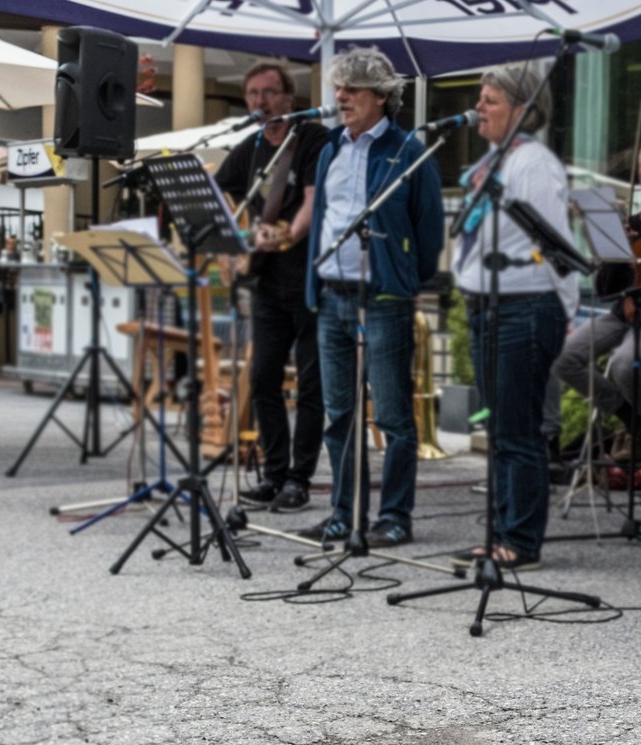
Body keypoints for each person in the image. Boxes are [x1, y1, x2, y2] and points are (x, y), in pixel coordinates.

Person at [302, 47, 445, 547]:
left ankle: (394, 517)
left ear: (381, 97)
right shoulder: (329, 151)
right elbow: (321, 223)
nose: (340, 96)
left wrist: (402, 278)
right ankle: (345, 512)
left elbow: (430, 233)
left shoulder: (409, 152)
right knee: (339, 414)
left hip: (383, 298)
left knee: (391, 416)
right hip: (333, 297)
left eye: (352, 89)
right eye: (338, 88)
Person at [445, 62, 571, 570]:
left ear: (522, 108)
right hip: (488, 305)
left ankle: (519, 539)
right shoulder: (496, 161)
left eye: (490, 100)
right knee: (499, 426)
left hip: (523, 305)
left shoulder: (532, 163)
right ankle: (499, 530)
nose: (479, 107)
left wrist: (565, 312)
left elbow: (554, 242)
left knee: (517, 429)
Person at [216, 61, 329, 515]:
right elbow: (219, 189)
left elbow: (312, 203)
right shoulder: (250, 148)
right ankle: (273, 474)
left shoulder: (312, 139)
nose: (259, 102)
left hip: (309, 278)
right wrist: (230, 243)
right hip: (266, 282)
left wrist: (286, 234)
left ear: (288, 97)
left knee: (309, 384)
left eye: (268, 93)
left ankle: (299, 479)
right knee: (262, 377)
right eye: (251, 94)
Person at [551, 140, 641, 457]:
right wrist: (616, 253)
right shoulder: (632, 221)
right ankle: (633, 419)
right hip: (625, 312)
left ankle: (636, 428)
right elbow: (606, 289)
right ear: (640, 176)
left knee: (622, 364)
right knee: (565, 357)